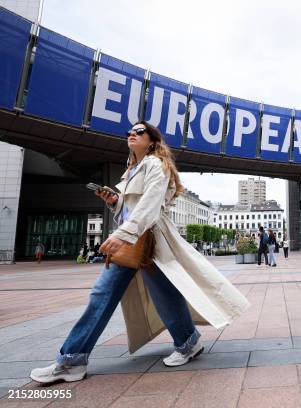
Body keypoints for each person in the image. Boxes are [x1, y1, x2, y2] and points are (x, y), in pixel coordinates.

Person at [30, 121, 250, 384]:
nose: (131, 135)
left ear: (153, 140)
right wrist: (116, 201)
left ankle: (185, 343)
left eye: (139, 132)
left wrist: (122, 234)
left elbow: (150, 204)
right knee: (116, 295)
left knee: (157, 295)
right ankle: (73, 360)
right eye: (129, 133)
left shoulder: (156, 164)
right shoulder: (132, 170)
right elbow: (133, 207)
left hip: (150, 241)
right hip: (136, 241)